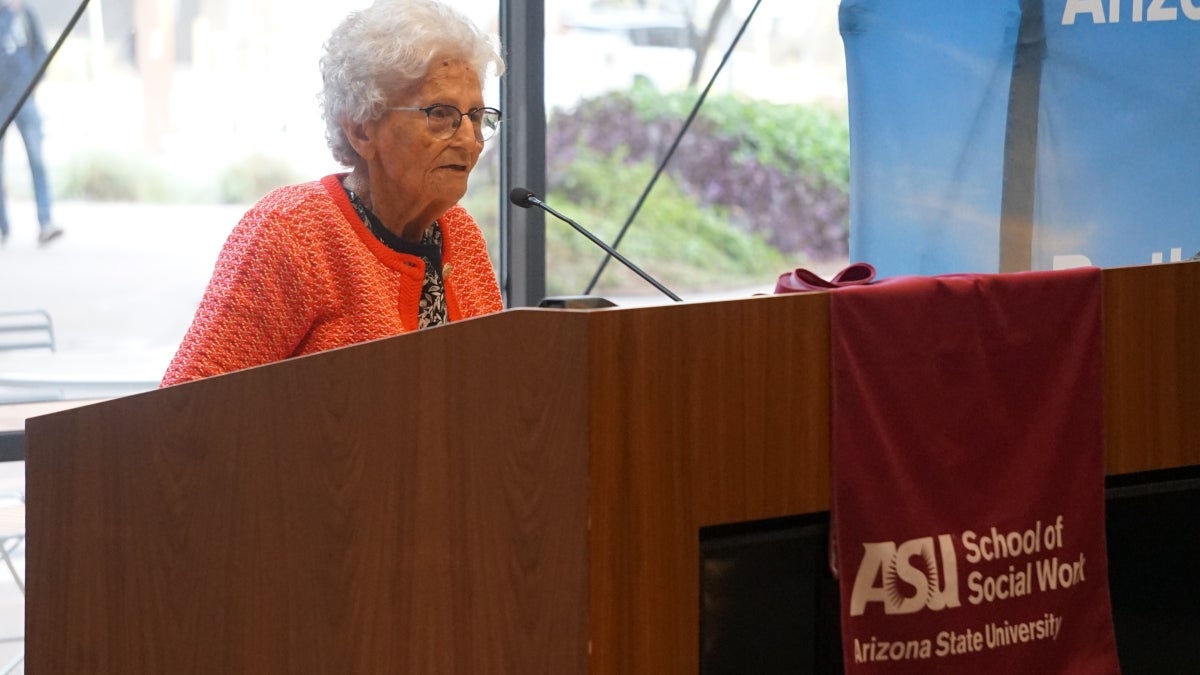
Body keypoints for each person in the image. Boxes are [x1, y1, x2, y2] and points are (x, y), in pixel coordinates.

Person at [161, 0, 505, 387]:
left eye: (476, 116)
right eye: (440, 114)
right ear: (361, 130)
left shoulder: (460, 234)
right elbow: (184, 408)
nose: (469, 140)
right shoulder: (291, 234)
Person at [0, 0, 62, 247]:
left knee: (36, 160)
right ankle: (2, 225)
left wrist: (35, 82)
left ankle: (45, 222)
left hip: (25, 99)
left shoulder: (26, 13)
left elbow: (41, 51)